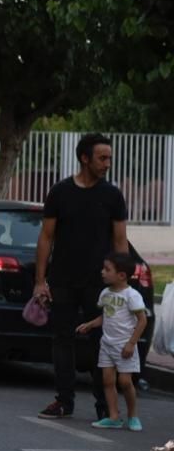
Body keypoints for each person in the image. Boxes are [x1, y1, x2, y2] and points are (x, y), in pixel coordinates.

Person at [35, 133, 128, 420]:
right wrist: (40, 280)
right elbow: (46, 237)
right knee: (63, 339)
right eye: (102, 158)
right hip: (63, 279)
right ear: (84, 158)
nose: (107, 163)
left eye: (109, 158)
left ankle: (104, 406)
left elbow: (120, 241)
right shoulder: (61, 192)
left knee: (102, 342)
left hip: (100, 284)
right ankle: (64, 400)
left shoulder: (112, 196)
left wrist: (122, 283)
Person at [75, 253, 147, 431]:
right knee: (107, 381)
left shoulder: (132, 295)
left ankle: (133, 415)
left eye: (107, 269)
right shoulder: (105, 293)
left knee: (125, 382)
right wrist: (90, 325)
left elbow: (142, 320)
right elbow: (106, 316)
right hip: (106, 344)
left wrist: (131, 343)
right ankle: (113, 416)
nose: (102, 272)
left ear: (121, 275)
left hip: (124, 346)